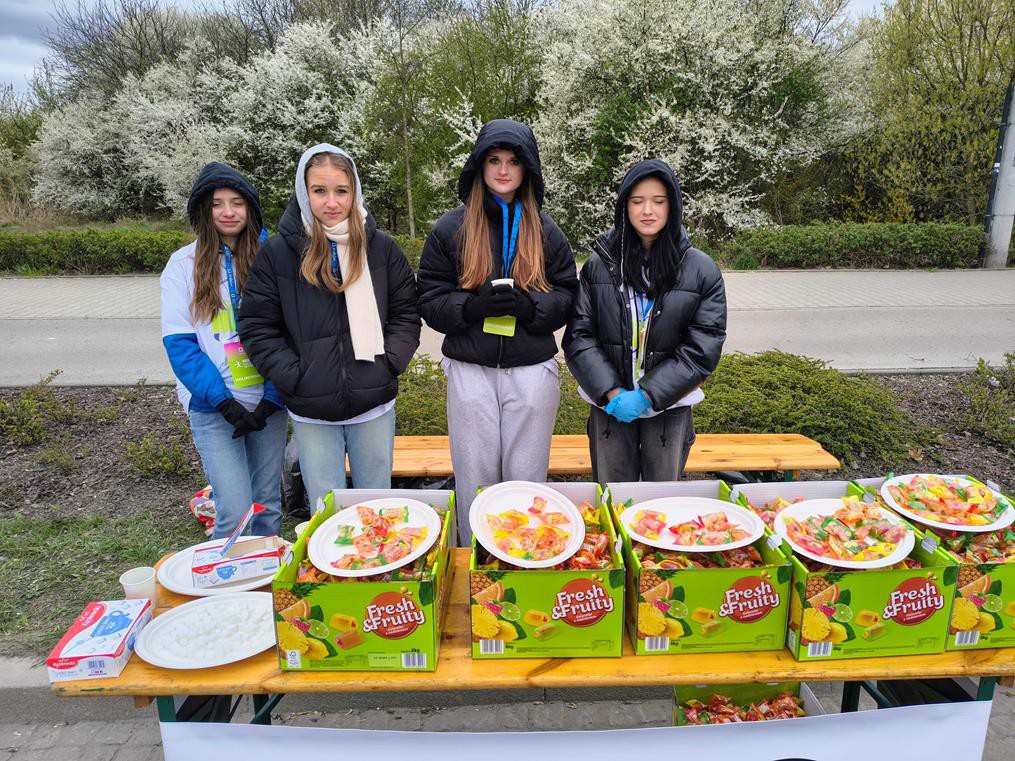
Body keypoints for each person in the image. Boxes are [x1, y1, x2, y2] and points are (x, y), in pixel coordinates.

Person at [417, 119, 578, 544]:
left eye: (513, 161)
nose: (503, 170)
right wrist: (470, 307)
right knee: (475, 478)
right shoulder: (450, 229)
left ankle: (522, 560)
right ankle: (476, 560)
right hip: (470, 370)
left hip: (531, 371)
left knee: (526, 479)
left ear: (528, 168)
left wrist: (532, 308)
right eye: (494, 160)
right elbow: (429, 298)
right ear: (479, 165)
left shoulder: (546, 230)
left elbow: (568, 295)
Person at [238, 144, 420, 508]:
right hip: (311, 409)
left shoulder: (381, 248)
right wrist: (295, 375)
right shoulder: (278, 254)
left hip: (374, 402)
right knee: (326, 508)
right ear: (303, 193)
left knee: (377, 504)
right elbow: (257, 325)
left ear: (355, 192)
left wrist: (389, 363)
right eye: (319, 191)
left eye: (341, 190)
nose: (332, 202)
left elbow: (406, 313)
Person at [563, 159, 727, 483]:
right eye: (637, 201)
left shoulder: (701, 270)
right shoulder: (599, 266)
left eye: (658, 201)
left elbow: (703, 346)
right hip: (610, 408)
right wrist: (611, 392)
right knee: (613, 498)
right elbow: (579, 336)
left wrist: (648, 396)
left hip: (671, 407)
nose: (647, 210)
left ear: (672, 206)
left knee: (661, 502)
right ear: (624, 206)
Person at [160, 162, 287, 539]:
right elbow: (180, 346)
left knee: (267, 506)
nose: (228, 212)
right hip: (213, 406)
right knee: (234, 510)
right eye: (217, 204)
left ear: (251, 208)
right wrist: (223, 401)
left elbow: (290, 334)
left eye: (237, 202)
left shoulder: (273, 258)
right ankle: (225, 574)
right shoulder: (182, 265)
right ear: (204, 210)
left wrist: (272, 397)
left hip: (267, 404)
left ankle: (267, 578)